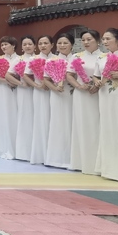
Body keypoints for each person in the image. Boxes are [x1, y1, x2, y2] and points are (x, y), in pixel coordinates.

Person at [96, 28, 118, 183]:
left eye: (108, 39)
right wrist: (96, 81)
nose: (105, 42)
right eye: (103, 39)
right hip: (105, 94)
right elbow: (96, 75)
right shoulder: (101, 58)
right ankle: (108, 167)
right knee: (108, 126)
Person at [68, 30, 101, 175]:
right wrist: (79, 86)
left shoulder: (104, 57)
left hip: (99, 95)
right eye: (83, 40)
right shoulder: (76, 56)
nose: (86, 42)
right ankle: (81, 162)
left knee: (97, 125)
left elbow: (107, 76)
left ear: (98, 41)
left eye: (89, 39)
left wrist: (98, 86)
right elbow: (69, 75)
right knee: (82, 124)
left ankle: (97, 163)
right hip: (81, 95)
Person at [45, 33, 75, 169]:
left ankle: (73, 158)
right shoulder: (52, 60)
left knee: (73, 122)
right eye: (59, 43)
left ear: (72, 44)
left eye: (65, 43)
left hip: (74, 94)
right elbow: (46, 79)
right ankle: (56, 158)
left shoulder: (77, 59)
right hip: (57, 95)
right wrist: (56, 88)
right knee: (58, 123)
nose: (62, 45)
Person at [0, 36, 21, 159]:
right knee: (5, 116)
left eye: (6, 44)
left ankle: (18, 148)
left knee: (17, 115)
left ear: (13, 45)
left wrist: (15, 81)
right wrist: (7, 81)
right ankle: (5, 148)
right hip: (4, 90)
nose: (3, 47)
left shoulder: (20, 59)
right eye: (2, 45)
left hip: (18, 90)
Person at [28, 35, 53, 165]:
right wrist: (37, 85)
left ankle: (53, 153)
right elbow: (26, 75)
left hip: (55, 92)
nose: (43, 46)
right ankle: (41, 154)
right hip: (39, 92)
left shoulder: (56, 59)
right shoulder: (33, 59)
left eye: (46, 43)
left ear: (52, 45)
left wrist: (52, 84)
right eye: (40, 43)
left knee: (53, 120)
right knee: (41, 120)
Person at [13, 36, 36, 161]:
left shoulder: (39, 59)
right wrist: (21, 83)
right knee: (25, 117)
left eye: (30, 44)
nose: (27, 46)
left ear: (35, 46)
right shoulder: (18, 59)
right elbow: (8, 75)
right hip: (24, 92)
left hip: (39, 90)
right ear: (21, 47)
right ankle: (24, 152)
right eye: (25, 44)